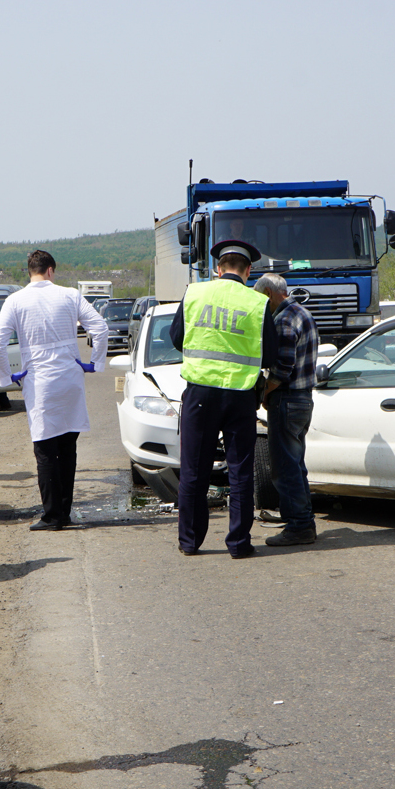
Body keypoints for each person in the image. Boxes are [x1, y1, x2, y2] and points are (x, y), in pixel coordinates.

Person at [170, 239, 277, 558]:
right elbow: (270, 353)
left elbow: (177, 339)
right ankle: (239, 544)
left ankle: (189, 542)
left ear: (218, 268)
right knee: (241, 472)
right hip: (240, 397)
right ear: (248, 271)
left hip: (200, 394)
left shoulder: (195, 292)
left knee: (193, 471)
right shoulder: (257, 303)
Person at [0, 249, 108, 530]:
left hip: (39, 381)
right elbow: (100, 328)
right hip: (69, 379)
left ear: (30, 271)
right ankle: (64, 512)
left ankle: (52, 514)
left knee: (45, 450)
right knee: (68, 448)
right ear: (51, 271)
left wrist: (7, 377)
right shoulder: (69, 295)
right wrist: (95, 363)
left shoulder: (15, 300)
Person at [253, 273, 319, 546]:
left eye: (260, 298)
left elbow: (281, 369)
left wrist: (265, 394)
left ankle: (299, 526)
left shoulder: (283, 319)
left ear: (269, 293)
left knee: (284, 467)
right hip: (303, 399)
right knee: (295, 465)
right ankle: (302, 519)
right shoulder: (302, 312)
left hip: (287, 400)